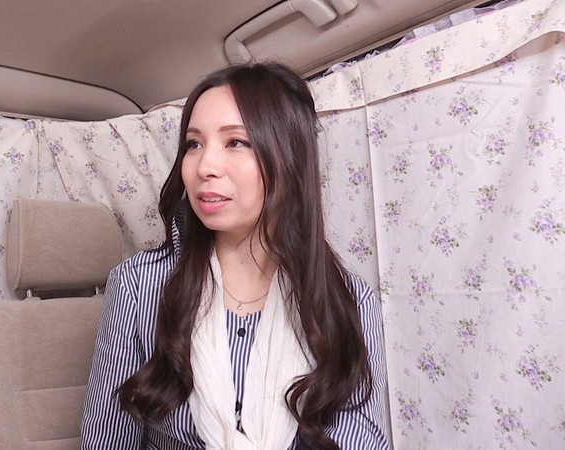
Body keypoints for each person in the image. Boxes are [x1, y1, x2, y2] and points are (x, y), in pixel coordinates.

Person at [81, 62, 390, 450]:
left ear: (289, 158)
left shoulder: (349, 300)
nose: (204, 167)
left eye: (236, 142)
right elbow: (108, 439)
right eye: (193, 144)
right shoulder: (139, 286)